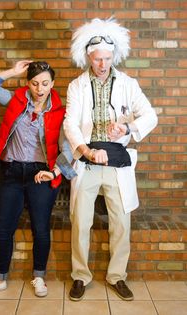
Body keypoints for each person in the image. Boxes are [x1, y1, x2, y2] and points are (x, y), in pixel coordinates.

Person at [63, 17, 158, 301]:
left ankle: (117, 276)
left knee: (121, 221)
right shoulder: (76, 86)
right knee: (80, 221)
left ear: (113, 56)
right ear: (88, 58)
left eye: (106, 58)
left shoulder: (129, 83)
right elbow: (70, 124)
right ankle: (80, 276)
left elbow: (150, 115)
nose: (102, 64)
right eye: (97, 59)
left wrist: (127, 128)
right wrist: (87, 151)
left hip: (117, 161)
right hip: (88, 159)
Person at [0, 60, 76, 298]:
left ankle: (39, 277)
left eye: (45, 83)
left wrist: (55, 172)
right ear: (28, 83)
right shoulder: (16, 101)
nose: (40, 89)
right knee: (4, 229)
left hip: (40, 175)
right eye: (34, 83)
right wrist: (12, 71)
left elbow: (69, 147)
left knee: (40, 229)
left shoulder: (60, 112)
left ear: (52, 84)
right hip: (11, 173)